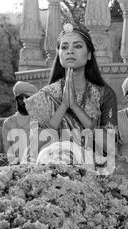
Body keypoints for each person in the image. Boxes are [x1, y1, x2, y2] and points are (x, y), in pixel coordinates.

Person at [24, 23, 118, 162]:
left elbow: (109, 146)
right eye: (64, 47)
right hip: (52, 170)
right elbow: (33, 149)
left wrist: (75, 107)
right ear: (59, 54)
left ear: (89, 55)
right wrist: (63, 106)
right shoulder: (45, 97)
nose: (70, 51)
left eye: (78, 46)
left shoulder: (104, 94)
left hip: (94, 169)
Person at [2, 81, 38, 162]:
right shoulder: (8, 123)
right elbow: (8, 151)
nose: (24, 101)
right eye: (20, 98)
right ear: (16, 100)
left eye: (27, 98)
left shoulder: (38, 121)